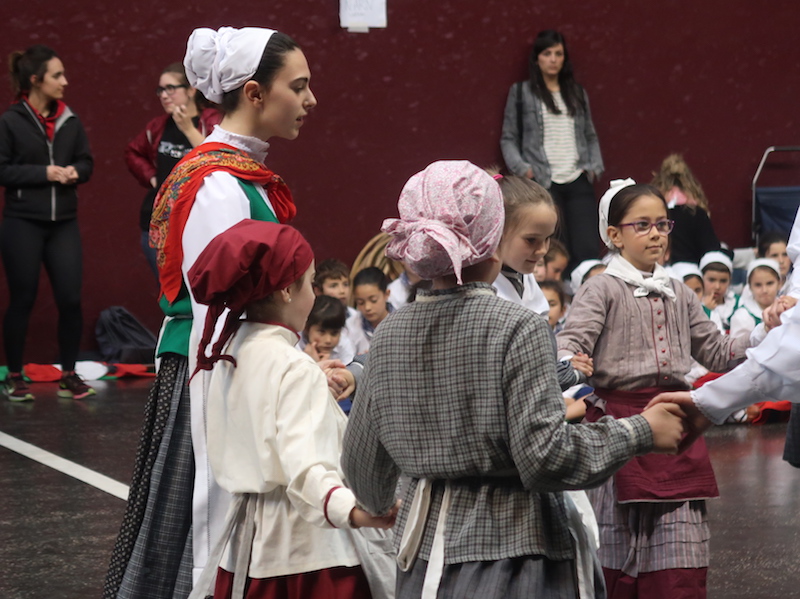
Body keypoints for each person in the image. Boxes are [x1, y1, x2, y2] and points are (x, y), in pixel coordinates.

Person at [341, 160, 686, 599]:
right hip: (513, 555)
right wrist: (639, 432)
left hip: (423, 557)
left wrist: (385, 501)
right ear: (493, 237)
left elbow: (363, 468)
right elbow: (547, 458)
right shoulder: (516, 327)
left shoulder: (391, 331)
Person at [104, 26, 318, 599]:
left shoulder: (239, 175)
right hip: (216, 377)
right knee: (206, 522)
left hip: (235, 369)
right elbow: (216, 310)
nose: (310, 99)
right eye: (298, 86)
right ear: (254, 93)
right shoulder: (218, 183)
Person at [556, 179, 752, 598]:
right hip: (618, 427)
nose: (656, 234)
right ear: (614, 235)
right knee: (618, 548)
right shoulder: (602, 287)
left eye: (662, 224)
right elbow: (571, 342)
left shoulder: (678, 290)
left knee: (679, 552)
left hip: (674, 426)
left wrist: (765, 333)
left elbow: (716, 352)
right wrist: (570, 359)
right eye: (642, 225)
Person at [183, 220, 395, 599]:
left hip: (245, 547)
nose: (315, 295)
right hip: (307, 554)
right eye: (311, 283)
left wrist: (312, 384)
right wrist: (359, 512)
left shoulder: (231, 349)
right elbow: (306, 471)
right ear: (285, 290)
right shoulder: (293, 367)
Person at [0, 44, 94, 402]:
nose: (64, 81)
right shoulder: (11, 121)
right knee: (22, 298)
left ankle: (69, 374)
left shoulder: (70, 119)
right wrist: (45, 173)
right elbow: (2, 169)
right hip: (22, 222)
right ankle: (14, 375)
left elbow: (87, 162)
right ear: (36, 80)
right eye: (57, 75)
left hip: (63, 224)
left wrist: (74, 172)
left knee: (70, 299)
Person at [500, 29, 604, 273]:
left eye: (559, 54)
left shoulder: (576, 92)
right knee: (552, 247)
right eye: (547, 54)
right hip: (542, 180)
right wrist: (524, 170)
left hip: (577, 177)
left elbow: (590, 134)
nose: (553, 59)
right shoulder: (521, 92)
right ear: (537, 58)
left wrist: (593, 168)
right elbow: (508, 137)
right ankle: (554, 292)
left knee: (587, 246)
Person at [125, 62, 221, 279]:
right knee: (168, 290)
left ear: (191, 90)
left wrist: (187, 128)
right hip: (159, 221)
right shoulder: (158, 125)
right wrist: (152, 177)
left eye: (171, 88)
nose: (164, 95)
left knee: (197, 287)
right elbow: (133, 152)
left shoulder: (213, 121)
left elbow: (218, 159)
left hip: (197, 221)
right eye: (160, 90)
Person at [650, 154, 722, 265]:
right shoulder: (696, 212)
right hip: (692, 270)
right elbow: (711, 249)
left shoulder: (653, 211)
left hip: (658, 267)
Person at [729, 259, 781, 339]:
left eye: (769, 283)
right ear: (750, 287)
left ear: (779, 283)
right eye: (758, 285)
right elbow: (738, 345)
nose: (764, 290)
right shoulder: (742, 316)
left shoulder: (787, 309)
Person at [347, 267, 393, 354]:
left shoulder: (402, 323)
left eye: (373, 300)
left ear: (386, 294)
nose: (367, 307)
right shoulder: (350, 326)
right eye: (360, 302)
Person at [699, 250, 739, 333]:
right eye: (711, 280)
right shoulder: (694, 305)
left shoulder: (738, 303)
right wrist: (705, 309)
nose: (717, 286)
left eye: (723, 281)